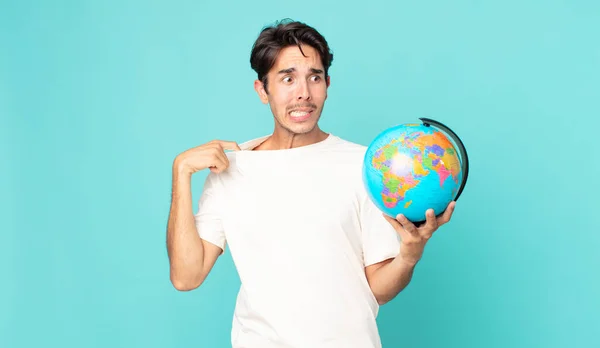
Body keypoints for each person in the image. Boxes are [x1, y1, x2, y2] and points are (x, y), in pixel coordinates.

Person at [166, 19, 456, 348]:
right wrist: (181, 172)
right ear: (263, 90)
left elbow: (377, 288)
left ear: (327, 84)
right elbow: (186, 277)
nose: (303, 93)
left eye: (314, 77)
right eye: (287, 78)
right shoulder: (231, 169)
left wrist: (408, 256)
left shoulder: (366, 166)